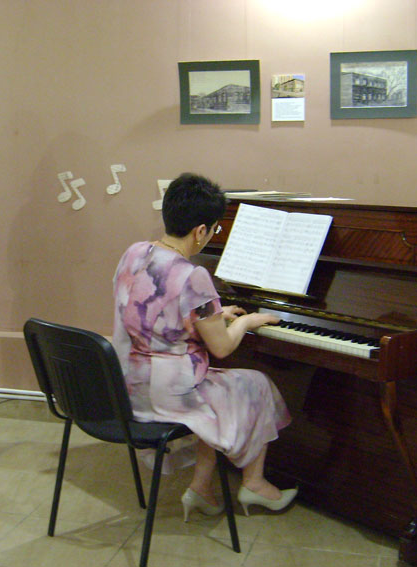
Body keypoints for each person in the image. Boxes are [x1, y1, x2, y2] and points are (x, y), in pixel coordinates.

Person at [112, 172, 296, 520]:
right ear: (200, 231)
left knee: (219, 391)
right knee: (255, 384)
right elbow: (222, 347)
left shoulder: (134, 253)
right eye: (214, 229)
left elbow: (156, 310)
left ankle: (201, 488)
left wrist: (211, 313)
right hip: (168, 395)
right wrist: (245, 322)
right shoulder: (193, 275)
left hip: (129, 385)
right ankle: (254, 483)